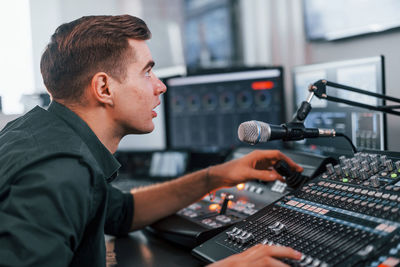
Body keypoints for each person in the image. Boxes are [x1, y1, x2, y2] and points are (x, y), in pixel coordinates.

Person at [0, 15, 303, 267]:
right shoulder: (59, 172)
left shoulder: (41, 135)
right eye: (147, 72)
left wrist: (217, 176)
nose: (160, 86)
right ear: (104, 87)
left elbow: (123, 213)